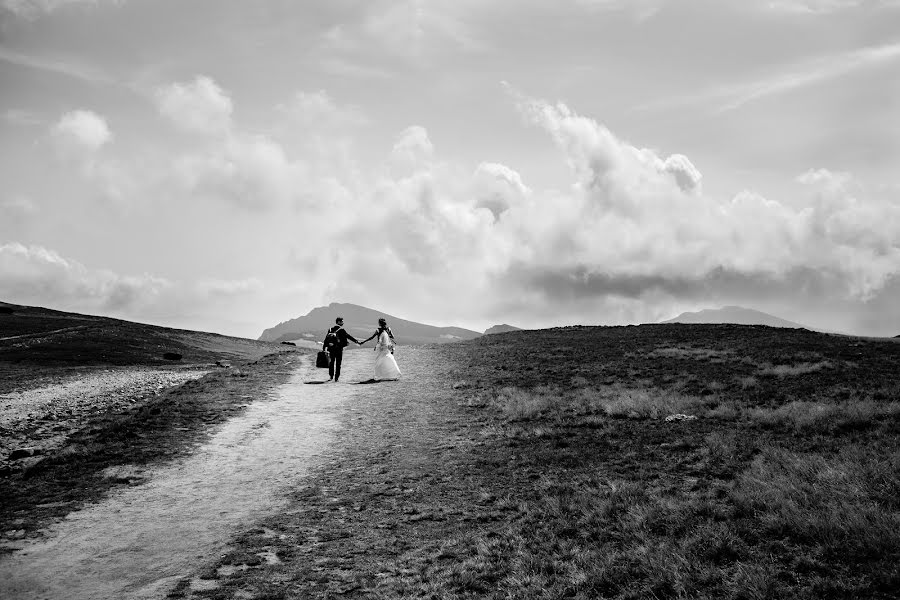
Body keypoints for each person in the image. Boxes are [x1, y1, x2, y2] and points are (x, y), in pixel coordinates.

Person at [323, 316, 361, 383]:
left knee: (331, 363)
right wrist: (356, 341)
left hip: (331, 349)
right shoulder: (341, 330)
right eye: (342, 321)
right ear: (338, 322)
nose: (343, 322)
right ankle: (336, 378)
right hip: (338, 349)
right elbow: (348, 336)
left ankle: (331, 376)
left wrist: (324, 348)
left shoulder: (330, 329)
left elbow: (326, 340)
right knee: (338, 363)